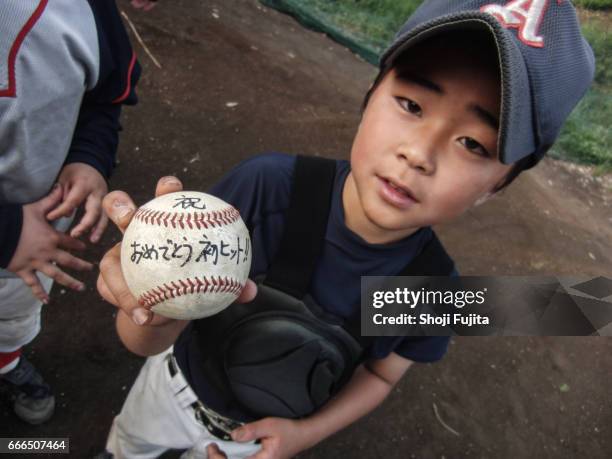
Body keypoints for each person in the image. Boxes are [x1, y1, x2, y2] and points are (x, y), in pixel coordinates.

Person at [96, 0, 594, 457]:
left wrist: (305, 434)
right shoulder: (269, 189)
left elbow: (380, 373)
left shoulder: (427, 289)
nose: (418, 155)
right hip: (173, 392)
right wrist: (150, 312)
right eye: (412, 105)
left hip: (262, 437)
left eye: (473, 144)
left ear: (498, 186)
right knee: (128, 447)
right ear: (370, 94)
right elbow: (146, 339)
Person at [0, 0, 140, 425]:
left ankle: (5, 362)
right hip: (20, 238)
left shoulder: (84, 9)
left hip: (32, 244)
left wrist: (89, 157)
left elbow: (103, 98)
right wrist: (5, 233)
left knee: (11, 314)